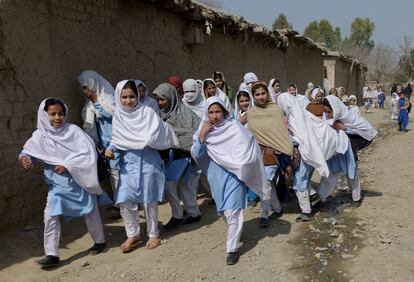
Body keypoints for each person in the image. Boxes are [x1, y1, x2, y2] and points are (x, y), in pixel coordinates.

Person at [20, 98, 107, 269]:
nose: (57, 118)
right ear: (44, 115)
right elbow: (28, 151)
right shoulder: (40, 135)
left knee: (90, 212)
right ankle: (52, 254)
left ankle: (100, 241)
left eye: (60, 113)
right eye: (52, 114)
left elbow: (88, 154)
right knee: (51, 216)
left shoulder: (73, 131)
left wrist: (69, 165)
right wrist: (24, 158)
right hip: (57, 186)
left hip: (79, 181)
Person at [191, 96, 268, 265]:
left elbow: (249, 148)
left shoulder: (234, 127)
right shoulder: (202, 130)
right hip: (215, 177)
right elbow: (197, 154)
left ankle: (231, 249)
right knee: (224, 212)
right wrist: (202, 136)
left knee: (233, 211)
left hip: (234, 176)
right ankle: (236, 232)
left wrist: (240, 165)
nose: (214, 116)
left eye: (218, 111)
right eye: (210, 112)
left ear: (225, 111)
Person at [105, 80, 178, 253]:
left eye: (132, 96)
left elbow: (158, 132)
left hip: (148, 161)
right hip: (128, 163)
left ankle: (153, 234)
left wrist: (146, 140)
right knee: (125, 199)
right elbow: (116, 138)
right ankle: (133, 234)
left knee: (149, 199)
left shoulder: (147, 112)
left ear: (137, 96)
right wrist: (110, 149)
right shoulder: (118, 116)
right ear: (118, 97)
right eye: (124, 97)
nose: (128, 101)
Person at [277, 92, 349, 221]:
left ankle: (307, 210)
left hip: (308, 151)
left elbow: (299, 137)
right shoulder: (301, 113)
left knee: (300, 179)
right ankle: (312, 199)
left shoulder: (295, 117)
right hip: (312, 150)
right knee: (302, 179)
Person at [152, 83, 202, 229]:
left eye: (163, 99)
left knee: (187, 185)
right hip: (174, 156)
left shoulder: (185, 114)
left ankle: (192, 213)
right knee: (171, 185)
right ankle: (179, 214)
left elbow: (191, 133)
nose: (160, 103)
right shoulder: (164, 114)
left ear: (171, 98)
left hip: (187, 155)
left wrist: (170, 131)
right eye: (158, 100)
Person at [248, 81, 294, 227]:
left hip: (275, 153)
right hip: (258, 152)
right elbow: (251, 135)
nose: (261, 97)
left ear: (267, 93)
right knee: (267, 183)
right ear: (253, 96)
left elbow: (281, 132)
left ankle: (265, 214)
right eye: (257, 95)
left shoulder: (276, 110)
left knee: (267, 181)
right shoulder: (252, 114)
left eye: (263, 93)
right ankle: (276, 208)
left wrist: (284, 148)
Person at [78, 70, 119, 194]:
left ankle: (126, 204)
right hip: (104, 144)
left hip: (117, 141)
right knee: (113, 174)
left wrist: (96, 101)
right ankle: (123, 203)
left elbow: (111, 114)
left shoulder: (109, 96)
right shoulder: (90, 103)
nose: (86, 91)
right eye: (83, 88)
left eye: (87, 87)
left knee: (118, 172)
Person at [322, 95, 377, 162]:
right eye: (325, 112)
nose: (327, 114)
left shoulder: (350, 117)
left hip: (362, 139)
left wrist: (345, 129)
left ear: (336, 109)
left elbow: (367, 131)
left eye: (329, 112)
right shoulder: (328, 119)